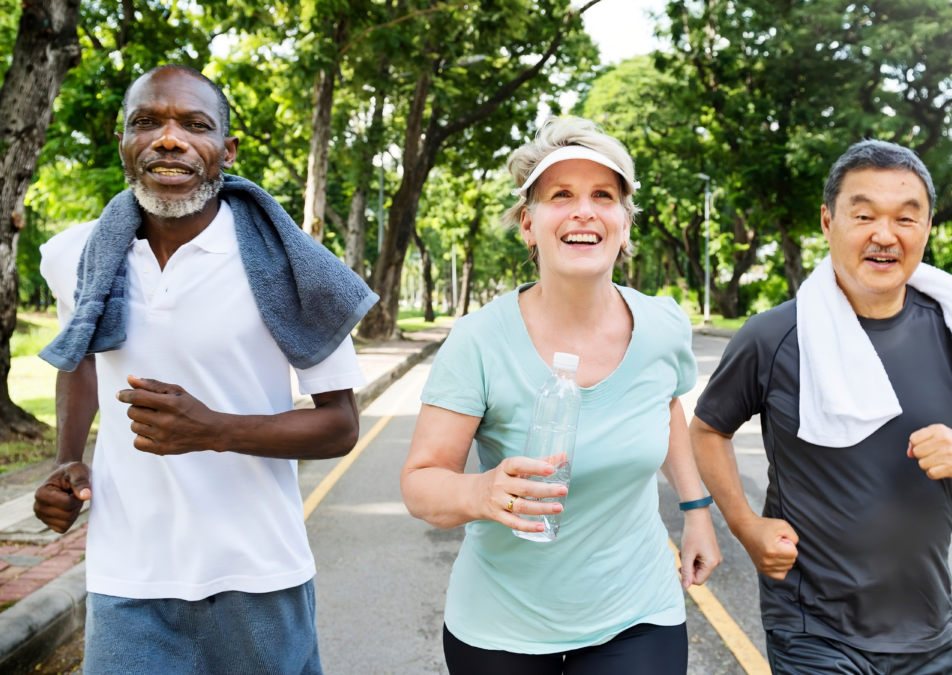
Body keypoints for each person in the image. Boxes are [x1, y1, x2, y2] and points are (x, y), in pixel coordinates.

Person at [32, 64, 377, 675]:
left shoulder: (292, 267)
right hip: (127, 575)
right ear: (124, 144)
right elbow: (79, 356)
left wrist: (213, 429)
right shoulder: (74, 255)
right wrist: (67, 460)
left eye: (195, 124)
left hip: (259, 572)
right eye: (147, 122)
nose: (170, 139)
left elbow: (341, 427)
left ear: (225, 149)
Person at [690, 139, 952, 675]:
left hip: (926, 627)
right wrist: (746, 526)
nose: (884, 235)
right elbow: (707, 431)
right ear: (827, 221)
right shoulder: (773, 336)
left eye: (906, 219)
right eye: (863, 215)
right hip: (810, 624)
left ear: (927, 227)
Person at [401, 116, 721, 675]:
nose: (583, 211)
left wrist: (696, 511)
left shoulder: (663, 324)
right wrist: (483, 493)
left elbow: (665, 406)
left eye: (603, 195)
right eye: (561, 195)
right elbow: (421, 484)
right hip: (502, 626)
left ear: (624, 224)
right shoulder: (479, 340)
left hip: (637, 611)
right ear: (528, 223)